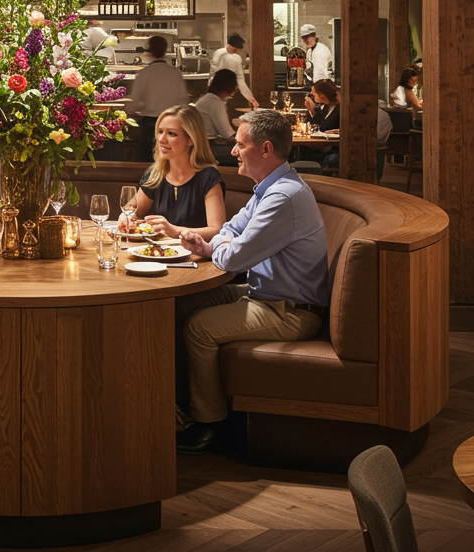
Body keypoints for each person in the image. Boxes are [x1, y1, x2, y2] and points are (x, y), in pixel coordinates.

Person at [173, 109, 329, 454]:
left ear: (265, 149)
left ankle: (210, 425)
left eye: (240, 145)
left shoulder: (282, 197)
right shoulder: (266, 190)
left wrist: (219, 246)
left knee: (198, 328)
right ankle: (175, 408)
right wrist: (214, 244)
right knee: (178, 306)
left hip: (290, 312)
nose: (233, 151)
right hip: (263, 295)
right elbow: (229, 232)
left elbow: (232, 257)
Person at [119, 104, 226, 241]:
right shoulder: (155, 174)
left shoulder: (208, 177)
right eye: (160, 131)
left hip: (196, 258)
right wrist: (126, 217)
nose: (161, 139)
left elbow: (217, 230)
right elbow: (133, 208)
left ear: (191, 139)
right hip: (156, 256)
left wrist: (174, 230)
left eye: (171, 134)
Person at [125, 36, 189, 161]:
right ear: (165, 50)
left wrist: (128, 113)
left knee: (147, 165)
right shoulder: (175, 73)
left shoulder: (145, 73)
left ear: (150, 51)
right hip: (173, 125)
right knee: (170, 164)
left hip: (151, 126)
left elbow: (134, 102)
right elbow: (183, 101)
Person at [194, 69, 237, 165]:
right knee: (246, 152)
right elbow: (227, 134)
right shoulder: (215, 102)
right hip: (209, 147)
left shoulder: (206, 98)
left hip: (200, 145)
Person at [209, 33, 257, 108]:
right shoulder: (219, 54)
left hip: (226, 94)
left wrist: (251, 98)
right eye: (235, 48)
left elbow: (240, 80)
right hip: (216, 93)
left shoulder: (237, 58)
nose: (237, 50)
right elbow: (215, 76)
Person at [304, 78, 341, 171]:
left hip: (335, 147)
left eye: (314, 93)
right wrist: (312, 110)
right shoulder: (326, 106)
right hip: (323, 146)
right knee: (300, 151)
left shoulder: (340, 107)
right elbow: (317, 126)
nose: (312, 95)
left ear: (322, 94)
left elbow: (324, 127)